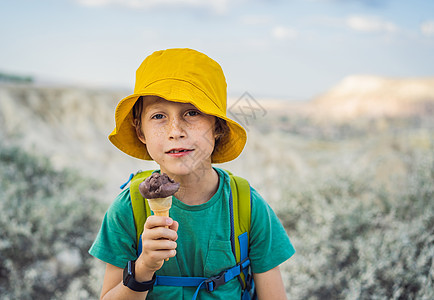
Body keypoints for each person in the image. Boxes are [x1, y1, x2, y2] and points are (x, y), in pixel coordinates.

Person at [89, 48, 295, 299]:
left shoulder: (246, 205)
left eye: (192, 112)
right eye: (158, 116)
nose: (175, 131)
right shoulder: (128, 209)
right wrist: (143, 268)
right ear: (140, 131)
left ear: (217, 126)